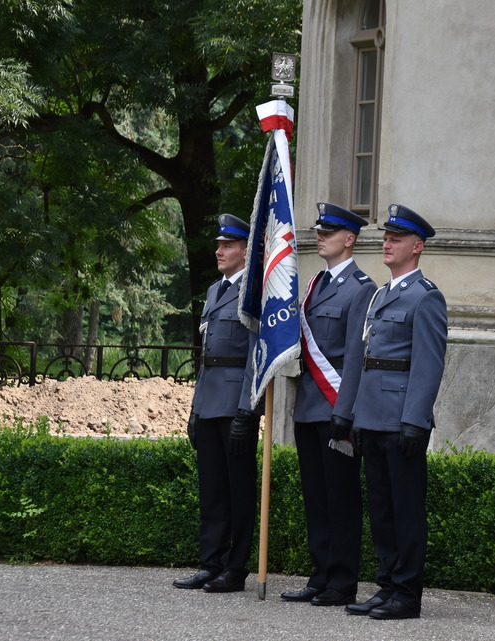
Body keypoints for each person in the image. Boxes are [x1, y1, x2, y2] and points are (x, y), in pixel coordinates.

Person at [345, 203, 447, 620]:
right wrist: (355, 416)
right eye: (386, 237)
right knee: (382, 510)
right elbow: (367, 360)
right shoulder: (381, 296)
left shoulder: (425, 298)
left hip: (402, 419)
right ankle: (387, 586)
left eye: (397, 238)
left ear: (416, 247)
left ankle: (407, 594)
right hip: (372, 417)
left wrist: (415, 421)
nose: (386, 242)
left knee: (406, 512)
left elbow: (428, 364)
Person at [281, 203, 376, 607]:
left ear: (349, 239)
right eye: (320, 231)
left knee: (341, 498)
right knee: (316, 498)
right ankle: (320, 574)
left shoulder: (362, 288)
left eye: (329, 232)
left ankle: (342, 582)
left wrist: (346, 410)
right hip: (308, 407)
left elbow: (356, 356)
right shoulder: (315, 284)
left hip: (337, 408)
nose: (320, 236)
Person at [173, 213, 262, 594]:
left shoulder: (254, 293)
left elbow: (256, 356)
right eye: (219, 245)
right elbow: (207, 356)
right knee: (211, 489)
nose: (219, 251)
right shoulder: (214, 291)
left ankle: (235, 568)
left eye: (227, 245)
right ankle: (210, 563)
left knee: (238, 490)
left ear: (245, 250)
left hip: (234, 406)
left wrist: (248, 410)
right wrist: (195, 408)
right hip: (209, 402)